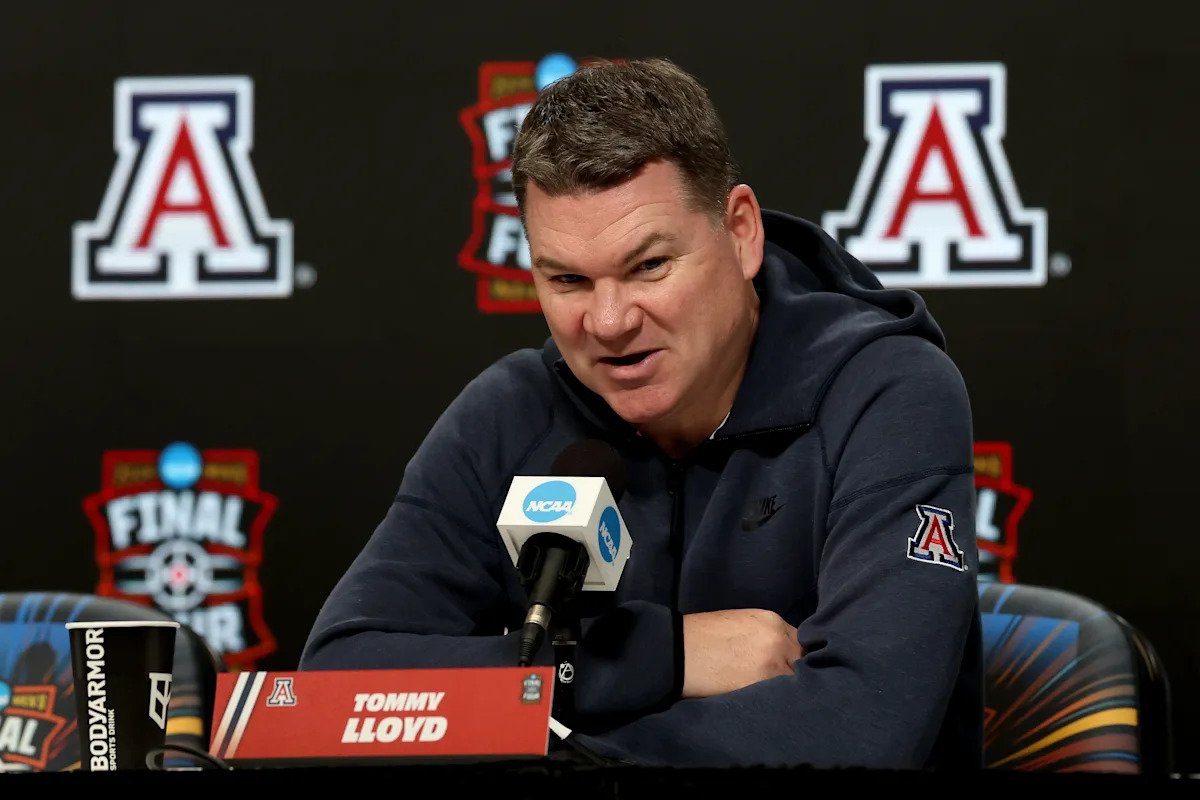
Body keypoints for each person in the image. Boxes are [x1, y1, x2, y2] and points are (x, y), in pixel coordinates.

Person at [300, 56, 982, 771]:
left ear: (741, 231)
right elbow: (344, 685)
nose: (610, 320)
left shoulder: (885, 392)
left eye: (648, 266)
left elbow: (863, 729)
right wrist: (660, 657)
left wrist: (548, 745)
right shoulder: (510, 413)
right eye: (567, 279)